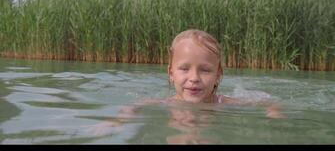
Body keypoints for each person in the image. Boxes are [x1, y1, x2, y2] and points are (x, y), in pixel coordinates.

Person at [90, 29, 285, 141]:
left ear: (218, 75)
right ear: (171, 74)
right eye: (184, 68)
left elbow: (267, 103)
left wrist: (274, 113)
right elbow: (134, 105)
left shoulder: (224, 103)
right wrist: (117, 121)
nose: (194, 78)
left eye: (205, 70)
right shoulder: (164, 103)